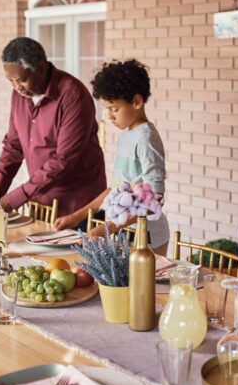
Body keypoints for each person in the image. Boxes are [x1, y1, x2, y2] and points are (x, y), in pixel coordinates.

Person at [53, 59, 170, 255]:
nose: (109, 116)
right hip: (124, 233)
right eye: (106, 109)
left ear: (137, 102)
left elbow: (154, 200)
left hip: (147, 235)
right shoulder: (126, 135)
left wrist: (110, 227)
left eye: (114, 109)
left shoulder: (146, 138)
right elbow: (113, 190)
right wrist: (75, 217)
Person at [0, 37, 106, 219]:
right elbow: (13, 147)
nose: (16, 87)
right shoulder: (18, 95)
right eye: (11, 81)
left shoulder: (73, 95)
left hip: (79, 206)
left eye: (21, 80)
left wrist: (13, 199)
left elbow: (63, 160)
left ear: (40, 67)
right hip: (40, 201)